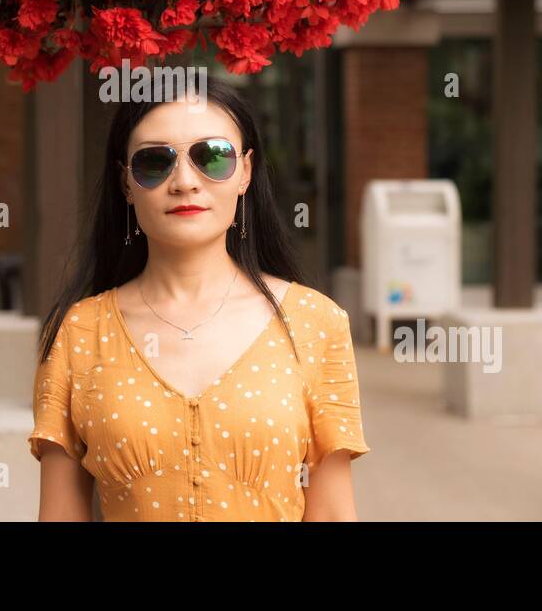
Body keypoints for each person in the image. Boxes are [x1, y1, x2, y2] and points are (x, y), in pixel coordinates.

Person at [29, 76, 370, 522]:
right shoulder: (80, 332)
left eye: (212, 157)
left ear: (246, 171)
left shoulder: (316, 322)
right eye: (155, 162)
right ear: (126, 183)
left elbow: (333, 515)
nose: (185, 181)